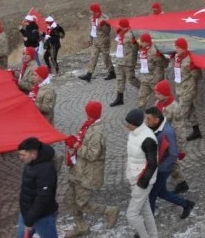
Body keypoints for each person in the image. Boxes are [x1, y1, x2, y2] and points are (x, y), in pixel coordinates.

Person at [63, 101, 119, 237]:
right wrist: (75, 142)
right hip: (78, 169)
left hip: (88, 174)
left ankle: (109, 211)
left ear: (90, 113)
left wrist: (76, 145)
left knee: (82, 203)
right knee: (70, 199)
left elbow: (93, 155)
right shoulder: (88, 125)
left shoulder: (96, 132)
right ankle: (81, 226)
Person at [144, 107, 195, 219]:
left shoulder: (167, 132)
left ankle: (147, 226)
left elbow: (172, 154)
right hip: (159, 166)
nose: (146, 121)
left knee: (151, 196)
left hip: (162, 169)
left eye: (148, 119)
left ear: (157, 120)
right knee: (162, 192)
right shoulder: (157, 126)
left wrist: (159, 169)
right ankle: (187, 204)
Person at [124, 108, 159, 238]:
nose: (126, 125)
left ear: (134, 124)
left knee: (132, 215)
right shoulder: (134, 133)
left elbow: (153, 164)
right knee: (146, 209)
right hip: (134, 176)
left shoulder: (148, 139)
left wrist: (142, 184)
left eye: (128, 123)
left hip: (142, 181)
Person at [16, 137, 58, 238]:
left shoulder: (45, 170)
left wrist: (30, 220)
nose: (20, 158)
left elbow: (43, 198)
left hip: (43, 217)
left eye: (23, 155)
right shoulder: (32, 162)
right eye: (19, 154)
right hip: (27, 214)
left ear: (34, 153)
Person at [153, 80, 190, 194]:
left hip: (169, 141)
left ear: (165, 94)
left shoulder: (174, 108)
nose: (156, 95)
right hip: (160, 138)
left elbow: (179, 130)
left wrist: (181, 149)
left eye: (158, 93)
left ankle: (181, 183)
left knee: (171, 162)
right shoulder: (158, 103)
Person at [171, 37, 203, 142]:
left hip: (188, 90)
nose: (176, 50)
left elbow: (198, 76)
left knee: (181, 113)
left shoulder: (190, 59)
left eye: (178, 48)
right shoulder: (177, 57)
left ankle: (176, 136)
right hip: (180, 88)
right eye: (175, 47)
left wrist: (195, 69)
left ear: (184, 48)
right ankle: (196, 131)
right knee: (190, 111)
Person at [79, 2, 116, 82]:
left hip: (103, 41)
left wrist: (103, 26)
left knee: (106, 58)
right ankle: (89, 74)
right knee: (93, 57)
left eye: (91, 10)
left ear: (95, 10)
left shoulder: (104, 18)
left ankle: (112, 72)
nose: (90, 11)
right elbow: (91, 29)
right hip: (95, 41)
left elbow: (107, 31)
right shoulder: (92, 18)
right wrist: (90, 39)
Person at [110, 18, 140, 107]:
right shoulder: (120, 33)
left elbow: (136, 47)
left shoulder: (131, 35)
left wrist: (135, 43)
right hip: (120, 60)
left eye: (120, 25)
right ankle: (119, 98)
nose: (119, 27)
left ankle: (143, 89)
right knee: (120, 79)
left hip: (128, 61)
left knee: (131, 79)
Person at [137, 33, 167, 109]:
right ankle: (140, 114)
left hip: (155, 79)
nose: (140, 43)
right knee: (141, 96)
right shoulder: (143, 49)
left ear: (147, 42)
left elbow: (164, 64)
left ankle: (161, 115)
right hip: (145, 78)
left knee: (159, 99)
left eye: (142, 42)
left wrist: (159, 57)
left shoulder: (154, 51)